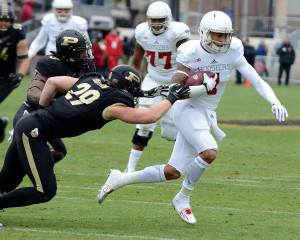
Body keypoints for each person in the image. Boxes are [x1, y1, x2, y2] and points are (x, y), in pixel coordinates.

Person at [97, 10, 288, 226]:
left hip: (206, 114)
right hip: (187, 108)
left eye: (226, 35)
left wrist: (274, 101)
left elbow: (255, 78)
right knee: (208, 152)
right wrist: (202, 88)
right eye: (218, 35)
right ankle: (182, 197)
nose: (223, 40)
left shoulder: (233, 49)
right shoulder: (190, 50)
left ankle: (120, 179)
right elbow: (177, 87)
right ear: (206, 33)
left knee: (172, 171)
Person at [0, 65, 189, 219]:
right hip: (35, 132)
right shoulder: (114, 105)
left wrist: (42, 110)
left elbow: (53, 82)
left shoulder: (92, 80)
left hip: (31, 123)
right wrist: (173, 97)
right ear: (125, 89)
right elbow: (150, 116)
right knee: (45, 191)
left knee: (7, 179)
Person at [9, 29, 95, 164]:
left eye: (86, 50)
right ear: (69, 52)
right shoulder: (52, 64)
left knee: (58, 153)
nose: (86, 55)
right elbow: (32, 94)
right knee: (52, 153)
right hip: (31, 114)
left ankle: (22, 156)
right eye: (81, 51)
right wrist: (57, 104)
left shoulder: (87, 69)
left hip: (48, 119)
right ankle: (21, 143)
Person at [124, 1, 190, 173]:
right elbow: (137, 60)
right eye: (153, 20)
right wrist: (132, 82)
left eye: (160, 19)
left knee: (171, 132)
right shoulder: (142, 32)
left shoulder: (177, 33)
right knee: (143, 124)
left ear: (168, 19)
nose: (156, 23)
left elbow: (188, 59)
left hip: (175, 81)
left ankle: (184, 163)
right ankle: (130, 167)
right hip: (153, 79)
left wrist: (185, 84)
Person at [0, 4, 29, 143]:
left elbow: (23, 59)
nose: (4, 23)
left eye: (7, 20)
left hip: (5, 78)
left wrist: (20, 75)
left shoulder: (17, 32)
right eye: (1, 19)